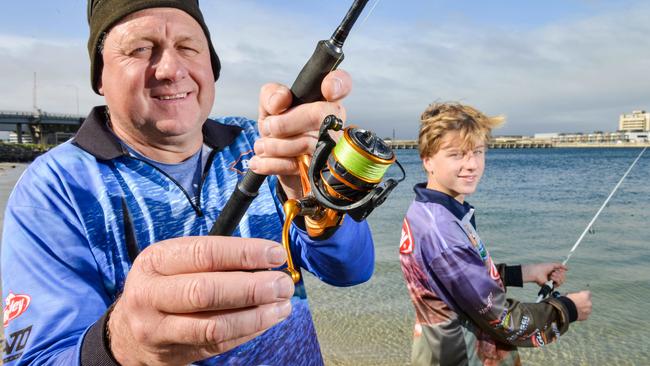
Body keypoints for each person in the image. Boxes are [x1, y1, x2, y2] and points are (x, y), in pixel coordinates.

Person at [1, 1, 375, 365]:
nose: (169, 69)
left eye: (188, 47)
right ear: (100, 75)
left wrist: (316, 197)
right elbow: (35, 357)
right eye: (140, 49)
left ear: (211, 67)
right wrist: (125, 346)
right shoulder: (54, 188)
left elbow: (351, 270)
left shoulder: (259, 144)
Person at [399, 102, 592, 365]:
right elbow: (504, 320)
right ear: (428, 160)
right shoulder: (441, 230)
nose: (472, 164)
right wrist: (568, 309)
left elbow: (460, 279)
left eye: (478, 152)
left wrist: (522, 273)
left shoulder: (430, 211)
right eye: (456, 154)